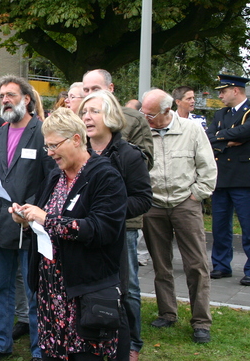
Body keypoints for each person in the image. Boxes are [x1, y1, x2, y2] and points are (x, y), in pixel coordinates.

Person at [13, 107, 127, 361]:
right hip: (51, 296)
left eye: (54, 145)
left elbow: (101, 230)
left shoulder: (105, 176)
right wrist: (24, 219)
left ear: (77, 139)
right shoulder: (55, 176)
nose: (50, 153)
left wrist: (48, 219)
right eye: (47, 147)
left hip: (84, 295)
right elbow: (42, 224)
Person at [0, 75, 54, 361]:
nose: (5, 99)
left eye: (10, 94)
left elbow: (52, 178)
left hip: (31, 224)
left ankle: (40, 349)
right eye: (2, 95)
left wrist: (32, 209)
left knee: (34, 290)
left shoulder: (43, 132)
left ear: (27, 99)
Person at [79, 90, 152, 360]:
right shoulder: (79, 150)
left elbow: (143, 198)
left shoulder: (128, 155)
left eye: (94, 111)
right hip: (80, 236)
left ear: (109, 116)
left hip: (113, 238)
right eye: (84, 112)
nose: (87, 117)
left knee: (120, 292)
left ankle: (128, 344)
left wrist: (110, 213)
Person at [140, 89, 216, 343]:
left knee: (197, 265)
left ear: (166, 111)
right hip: (154, 206)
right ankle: (167, 313)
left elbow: (207, 166)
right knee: (161, 265)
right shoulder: (144, 131)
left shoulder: (191, 129)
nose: (145, 117)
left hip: (186, 204)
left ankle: (201, 321)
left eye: (149, 114)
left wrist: (196, 195)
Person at [207, 74, 250, 286]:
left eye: (223, 91)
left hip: (244, 177)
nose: (220, 95)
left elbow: (246, 130)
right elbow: (209, 136)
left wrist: (221, 137)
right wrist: (230, 140)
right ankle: (221, 265)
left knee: (248, 225)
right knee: (220, 226)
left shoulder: (249, 110)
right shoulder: (221, 113)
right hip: (222, 176)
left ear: (236, 90)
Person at [82, 69, 154, 169]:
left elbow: (145, 162)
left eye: (96, 89)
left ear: (110, 88)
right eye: (86, 90)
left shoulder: (134, 118)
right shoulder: (78, 119)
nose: (90, 94)